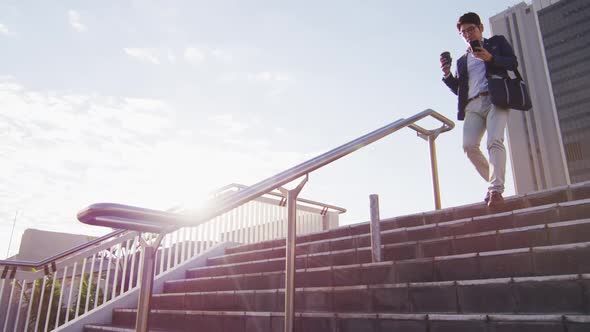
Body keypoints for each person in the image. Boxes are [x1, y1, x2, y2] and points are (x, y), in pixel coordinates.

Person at [440, 12, 518, 207]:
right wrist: (448, 75)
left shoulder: (496, 43)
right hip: (472, 106)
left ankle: (495, 190)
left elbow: (512, 62)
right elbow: (461, 89)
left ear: (481, 28)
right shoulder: (462, 60)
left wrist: (490, 57)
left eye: (471, 29)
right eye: (463, 32)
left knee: (494, 141)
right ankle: (493, 183)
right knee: (469, 146)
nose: (467, 34)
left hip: (495, 99)